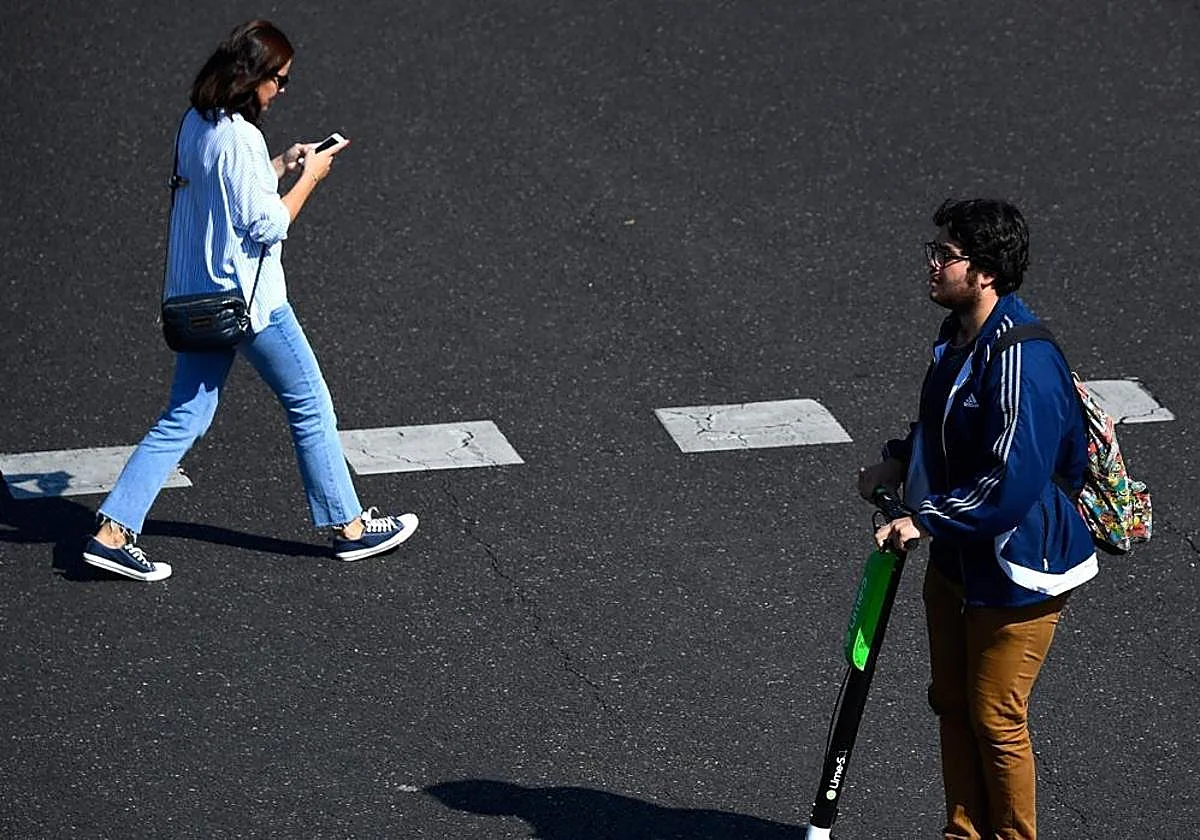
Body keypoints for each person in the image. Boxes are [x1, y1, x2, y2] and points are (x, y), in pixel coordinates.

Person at [82, 20, 418, 582]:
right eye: (278, 80)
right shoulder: (240, 137)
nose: (281, 91)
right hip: (248, 302)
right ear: (252, 76)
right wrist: (311, 177)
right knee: (309, 402)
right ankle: (350, 528)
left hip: (198, 298)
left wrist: (281, 164)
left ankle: (112, 533)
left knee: (185, 415)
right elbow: (267, 224)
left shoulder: (197, 123)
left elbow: (224, 191)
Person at [857, 198, 1097, 840]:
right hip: (960, 556)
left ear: (985, 271)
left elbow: (1011, 480)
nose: (932, 264)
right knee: (952, 703)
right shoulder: (958, 336)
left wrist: (926, 519)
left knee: (996, 716)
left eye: (946, 255)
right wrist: (899, 460)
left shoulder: (1021, 360)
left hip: (1020, 567)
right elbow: (946, 427)